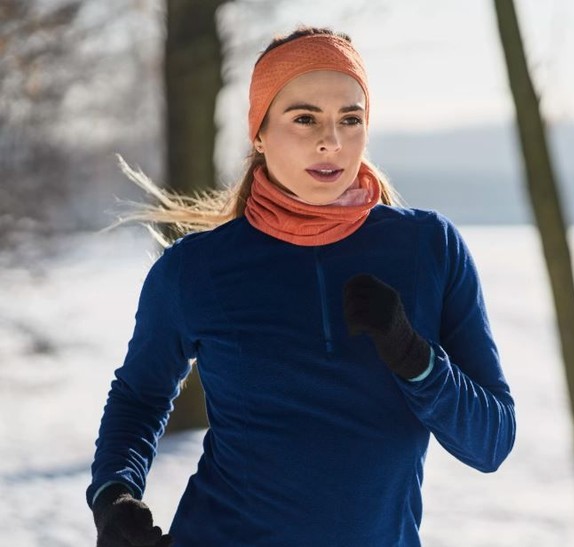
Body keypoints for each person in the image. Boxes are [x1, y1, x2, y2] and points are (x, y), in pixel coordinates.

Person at [87, 26, 516, 547]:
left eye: (350, 119)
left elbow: (490, 442)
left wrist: (415, 358)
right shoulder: (195, 270)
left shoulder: (428, 248)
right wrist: (114, 496)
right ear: (260, 133)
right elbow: (140, 395)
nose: (330, 140)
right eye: (305, 117)